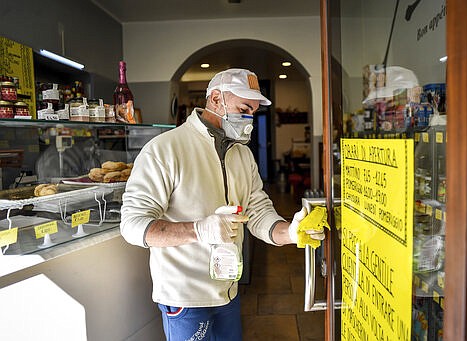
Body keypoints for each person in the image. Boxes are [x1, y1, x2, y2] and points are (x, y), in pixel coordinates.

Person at [120, 68, 324, 340]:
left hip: (227, 291)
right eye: (244, 108)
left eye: (253, 111)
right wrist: (199, 230)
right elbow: (133, 225)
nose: (249, 118)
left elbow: (258, 211)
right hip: (186, 297)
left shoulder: (242, 155)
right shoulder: (164, 150)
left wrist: (290, 232)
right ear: (215, 99)